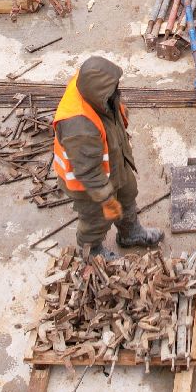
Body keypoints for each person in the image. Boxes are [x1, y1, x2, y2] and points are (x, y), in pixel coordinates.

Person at [51, 56, 163, 260]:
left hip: (114, 162)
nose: (117, 92)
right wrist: (105, 197)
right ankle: (92, 252)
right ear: (99, 94)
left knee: (128, 195)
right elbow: (87, 171)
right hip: (88, 184)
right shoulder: (79, 125)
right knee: (96, 218)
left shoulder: (92, 87)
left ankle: (130, 234)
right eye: (112, 91)